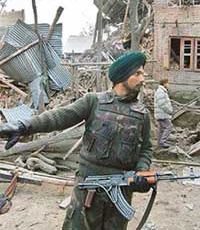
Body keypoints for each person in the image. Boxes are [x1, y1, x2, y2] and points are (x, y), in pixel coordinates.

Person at [0, 51, 153, 230]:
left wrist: (141, 172)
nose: (143, 78)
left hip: (120, 190)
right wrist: (23, 125)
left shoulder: (142, 115)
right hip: (88, 189)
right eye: (138, 73)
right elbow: (59, 117)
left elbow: (146, 150)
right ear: (122, 77)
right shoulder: (94, 101)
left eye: (143, 73)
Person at [154, 78, 173, 149]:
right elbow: (162, 104)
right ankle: (163, 142)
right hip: (162, 114)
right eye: (167, 83)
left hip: (160, 114)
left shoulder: (161, 91)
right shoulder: (161, 92)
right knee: (169, 126)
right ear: (164, 83)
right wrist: (169, 111)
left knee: (161, 129)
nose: (168, 85)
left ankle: (159, 145)